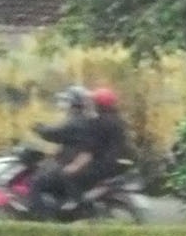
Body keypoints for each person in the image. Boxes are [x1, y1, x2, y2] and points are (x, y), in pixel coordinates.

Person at [31, 85, 126, 217]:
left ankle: (73, 207)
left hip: (100, 165)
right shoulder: (116, 121)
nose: (90, 103)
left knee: (47, 179)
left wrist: (75, 166)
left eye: (93, 101)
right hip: (109, 164)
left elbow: (89, 149)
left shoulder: (98, 122)